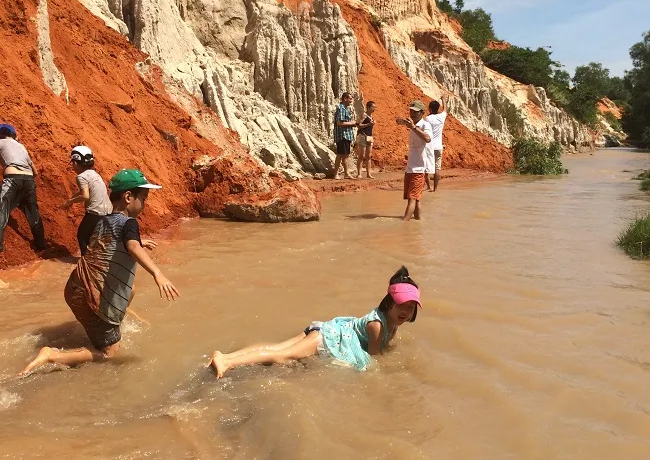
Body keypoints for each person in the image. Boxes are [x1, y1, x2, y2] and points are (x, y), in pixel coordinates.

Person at [19, 169, 179, 376]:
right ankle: (52, 355)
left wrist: (139, 242)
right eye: (144, 198)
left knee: (129, 291)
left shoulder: (103, 221)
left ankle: (107, 325)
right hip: (91, 297)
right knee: (110, 352)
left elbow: (110, 244)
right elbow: (132, 247)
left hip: (75, 288)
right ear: (128, 197)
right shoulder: (130, 223)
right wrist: (158, 274)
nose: (145, 204)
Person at [209, 266, 421, 378]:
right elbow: (375, 359)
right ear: (389, 303)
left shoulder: (392, 324)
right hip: (327, 338)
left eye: (411, 307)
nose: (406, 311)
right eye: (402, 305)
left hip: (328, 329)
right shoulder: (377, 325)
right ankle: (227, 362)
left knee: (277, 347)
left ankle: (225, 356)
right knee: (282, 355)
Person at [0, 123, 45, 253]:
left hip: (13, 178)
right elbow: (35, 172)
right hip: (29, 180)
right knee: (33, 212)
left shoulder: (1, 142)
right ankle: (41, 245)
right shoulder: (22, 147)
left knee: (2, 208)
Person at [61, 146, 112, 255]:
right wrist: (70, 199)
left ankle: (86, 262)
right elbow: (83, 191)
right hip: (107, 212)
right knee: (98, 239)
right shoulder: (95, 174)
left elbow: (85, 196)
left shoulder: (81, 177)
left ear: (75, 163)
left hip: (95, 213)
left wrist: (70, 202)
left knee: (82, 236)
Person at [396, 100, 432, 222]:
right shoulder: (412, 123)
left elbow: (427, 138)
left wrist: (413, 127)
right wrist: (403, 122)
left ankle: (403, 222)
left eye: (415, 112)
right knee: (416, 198)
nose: (412, 114)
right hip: (410, 167)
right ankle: (418, 220)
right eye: (411, 111)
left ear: (422, 113)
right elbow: (397, 121)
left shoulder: (425, 125)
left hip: (419, 168)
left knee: (412, 198)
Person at [424, 96, 448, 192]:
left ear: (429, 108)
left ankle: (429, 186)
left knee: (426, 167)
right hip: (438, 146)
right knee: (437, 168)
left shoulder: (428, 119)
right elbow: (445, 109)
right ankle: (435, 188)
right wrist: (443, 100)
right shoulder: (441, 117)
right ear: (438, 108)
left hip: (429, 146)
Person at [332, 92, 357, 179]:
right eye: (350, 98)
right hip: (342, 135)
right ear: (345, 99)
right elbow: (339, 123)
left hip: (346, 135)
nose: (351, 100)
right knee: (340, 154)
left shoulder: (345, 108)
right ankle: (336, 174)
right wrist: (352, 123)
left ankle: (346, 173)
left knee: (345, 155)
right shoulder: (341, 108)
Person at [355, 101, 376, 178]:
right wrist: (368, 124)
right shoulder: (364, 115)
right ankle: (359, 174)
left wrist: (372, 124)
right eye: (373, 107)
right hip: (363, 136)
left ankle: (368, 173)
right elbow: (358, 125)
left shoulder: (371, 116)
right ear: (368, 107)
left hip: (369, 137)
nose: (374, 109)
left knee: (369, 156)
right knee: (361, 155)